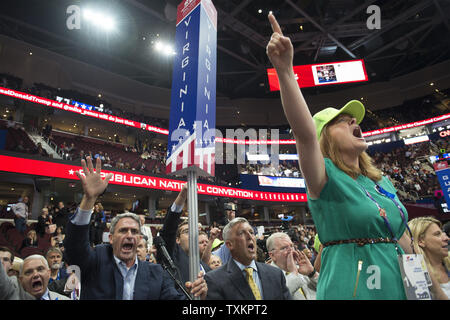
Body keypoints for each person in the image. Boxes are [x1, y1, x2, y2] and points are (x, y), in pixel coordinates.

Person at [266, 13, 418, 300]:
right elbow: (304, 134)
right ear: (324, 137)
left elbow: (404, 241)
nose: (352, 122)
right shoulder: (323, 177)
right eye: (341, 120)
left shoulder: (382, 181)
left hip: (399, 286)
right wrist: (285, 71)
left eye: (353, 119)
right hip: (352, 287)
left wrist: (425, 291)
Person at [65, 156, 207, 299]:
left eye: (134, 232)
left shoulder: (156, 273)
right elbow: (75, 248)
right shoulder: (97, 260)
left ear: (139, 239)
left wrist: (198, 295)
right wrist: (89, 199)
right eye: (122, 230)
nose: (129, 235)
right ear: (111, 238)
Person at [204, 217, 292, 300]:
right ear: (229, 245)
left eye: (252, 232)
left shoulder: (275, 274)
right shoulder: (214, 280)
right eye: (241, 233)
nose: (250, 236)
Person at [158, 185, 212, 291]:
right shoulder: (172, 256)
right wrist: (183, 195)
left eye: (196, 232)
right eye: (187, 232)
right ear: (177, 240)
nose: (193, 235)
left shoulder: (207, 268)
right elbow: (169, 230)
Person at [266, 232, 318, 300]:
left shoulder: (301, 268)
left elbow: (325, 289)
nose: (291, 250)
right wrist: (293, 274)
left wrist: (312, 273)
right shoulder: (267, 276)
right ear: (272, 255)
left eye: (291, 246)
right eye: (284, 248)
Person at [408, 217, 450, 299]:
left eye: (443, 233)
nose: (446, 238)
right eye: (437, 234)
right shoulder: (415, 276)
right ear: (420, 241)